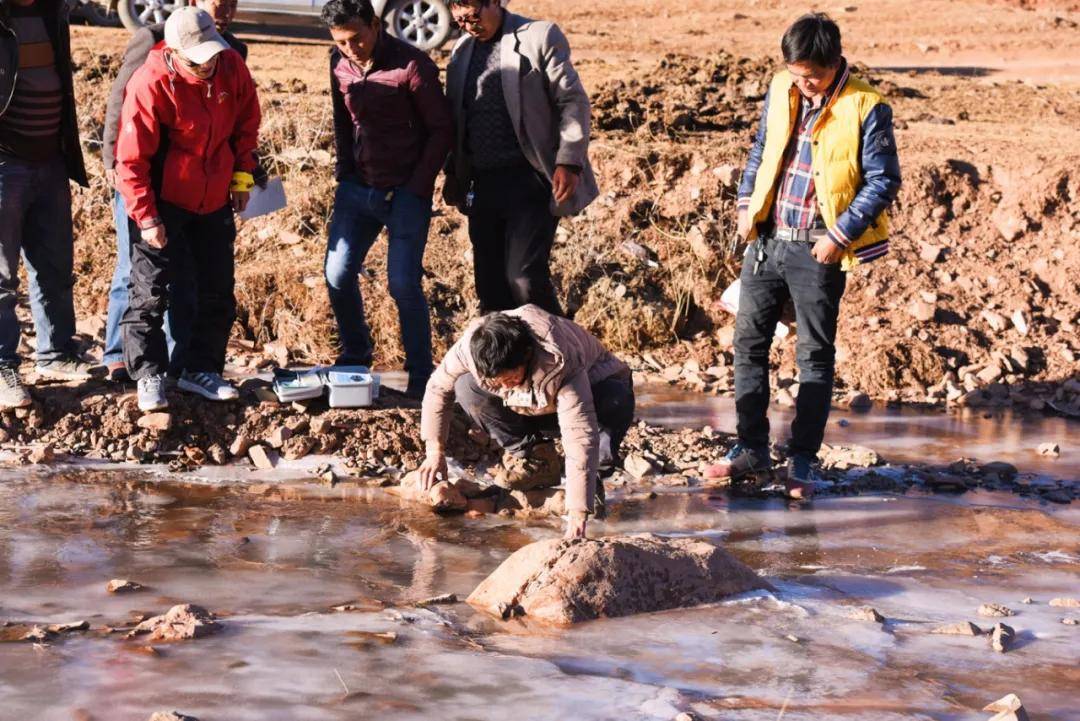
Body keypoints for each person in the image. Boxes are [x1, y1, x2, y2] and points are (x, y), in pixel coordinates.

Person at [711, 13, 901, 498]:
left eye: (811, 75)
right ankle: (749, 448)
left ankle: (803, 458)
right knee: (748, 346)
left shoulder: (867, 105)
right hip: (767, 238)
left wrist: (839, 235)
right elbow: (761, 150)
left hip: (819, 246)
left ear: (835, 61)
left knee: (814, 355)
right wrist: (743, 205)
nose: (803, 83)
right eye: (796, 73)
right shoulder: (781, 88)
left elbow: (883, 180)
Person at [115, 6, 260, 411]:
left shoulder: (231, 66)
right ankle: (149, 375)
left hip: (213, 197)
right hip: (163, 199)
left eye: (212, 54)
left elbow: (248, 123)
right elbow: (130, 161)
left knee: (217, 290)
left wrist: (242, 177)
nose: (208, 64)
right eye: (198, 60)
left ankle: (202, 370)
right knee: (150, 292)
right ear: (174, 52)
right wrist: (146, 216)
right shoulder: (151, 82)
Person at [322, 0, 452, 400]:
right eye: (342, 42)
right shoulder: (338, 62)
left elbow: (441, 130)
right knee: (338, 273)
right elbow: (342, 121)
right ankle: (356, 354)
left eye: (357, 38)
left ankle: (420, 376)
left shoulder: (412, 65)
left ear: (376, 25)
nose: (351, 49)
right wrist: (345, 172)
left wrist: (415, 187)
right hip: (358, 188)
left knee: (402, 283)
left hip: (405, 194)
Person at [418, 306, 635, 538]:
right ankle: (535, 458)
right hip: (530, 405)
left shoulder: (559, 357)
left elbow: (580, 432)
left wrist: (577, 509)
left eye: (510, 378)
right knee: (465, 386)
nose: (504, 386)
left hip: (594, 396)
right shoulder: (471, 348)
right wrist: (434, 452)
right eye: (498, 381)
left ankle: (595, 479)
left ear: (527, 355)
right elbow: (437, 388)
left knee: (616, 395)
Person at [444, 0, 598, 316]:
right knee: (490, 287)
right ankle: (511, 364)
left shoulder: (538, 36)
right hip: (482, 183)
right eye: (460, 20)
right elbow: (456, 120)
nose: (470, 26)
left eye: (474, 16)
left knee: (525, 279)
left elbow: (573, 100)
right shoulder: (460, 53)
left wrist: (569, 160)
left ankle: (564, 356)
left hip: (531, 179)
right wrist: (452, 173)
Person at [0, 0, 98, 409]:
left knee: (55, 266)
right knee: (1, 276)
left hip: (50, 160)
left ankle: (55, 354)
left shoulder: (51, 9)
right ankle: (3, 366)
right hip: (5, 162)